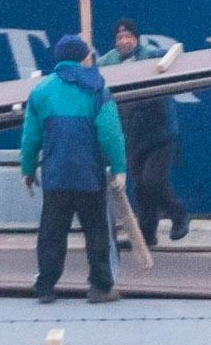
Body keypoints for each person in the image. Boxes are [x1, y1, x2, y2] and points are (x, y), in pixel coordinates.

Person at [19, 33, 129, 303]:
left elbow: (31, 136)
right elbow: (110, 133)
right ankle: (100, 287)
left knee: (52, 233)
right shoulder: (97, 88)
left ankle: (45, 287)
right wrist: (119, 167)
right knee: (97, 232)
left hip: (56, 175)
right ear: (84, 57)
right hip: (89, 174)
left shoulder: (41, 91)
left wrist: (28, 169)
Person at [108, 21, 190, 242]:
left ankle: (178, 213)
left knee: (153, 180)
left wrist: (166, 59)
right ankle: (147, 233)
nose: (124, 41)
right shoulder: (110, 62)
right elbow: (92, 72)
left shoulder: (151, 57)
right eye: (119, 38)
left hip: (159, 133)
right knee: (140, 188)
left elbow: (170, 57)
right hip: (133, 135)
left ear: (137, 39)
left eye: (128, 36)